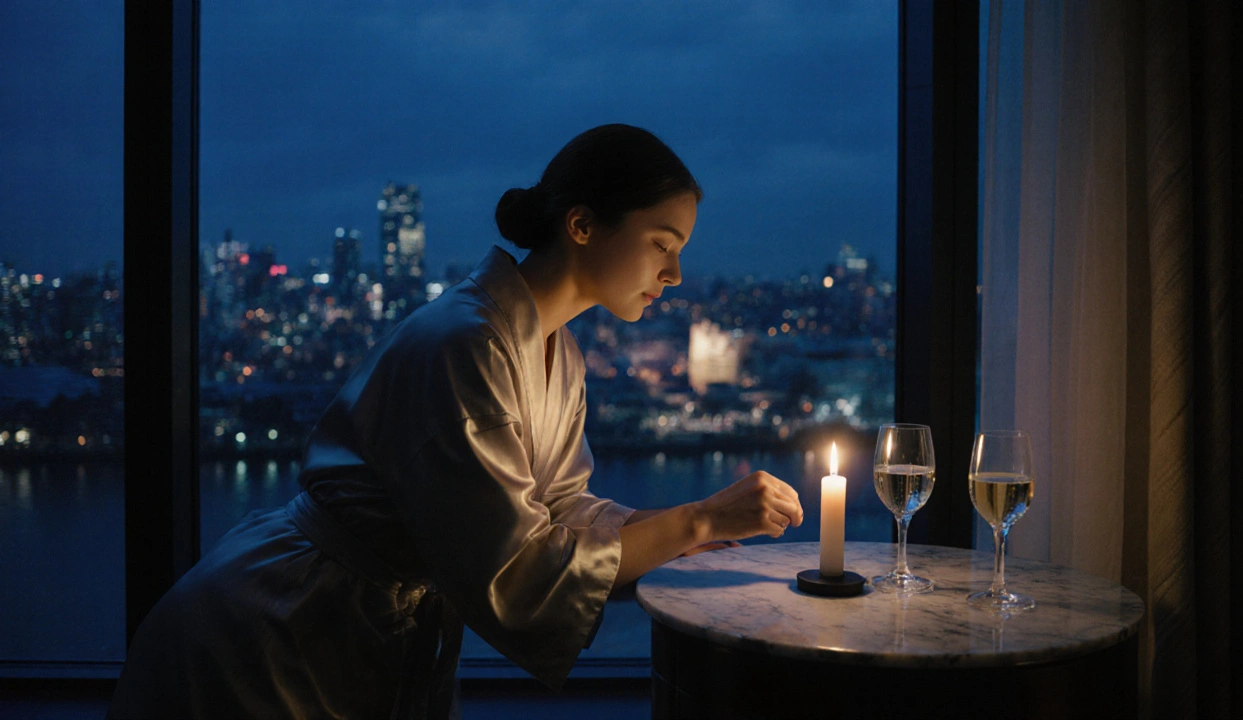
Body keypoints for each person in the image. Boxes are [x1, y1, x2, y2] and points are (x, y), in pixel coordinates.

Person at [109, 124, 804, 719]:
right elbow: (517, 566)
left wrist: (686, 533)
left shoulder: (551, 349)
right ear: (582, 224)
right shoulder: (466, 342)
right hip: (272, 633)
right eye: (662, 242)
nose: (676, 272)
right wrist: (701, 522)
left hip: (359, 629)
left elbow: (562, 514)